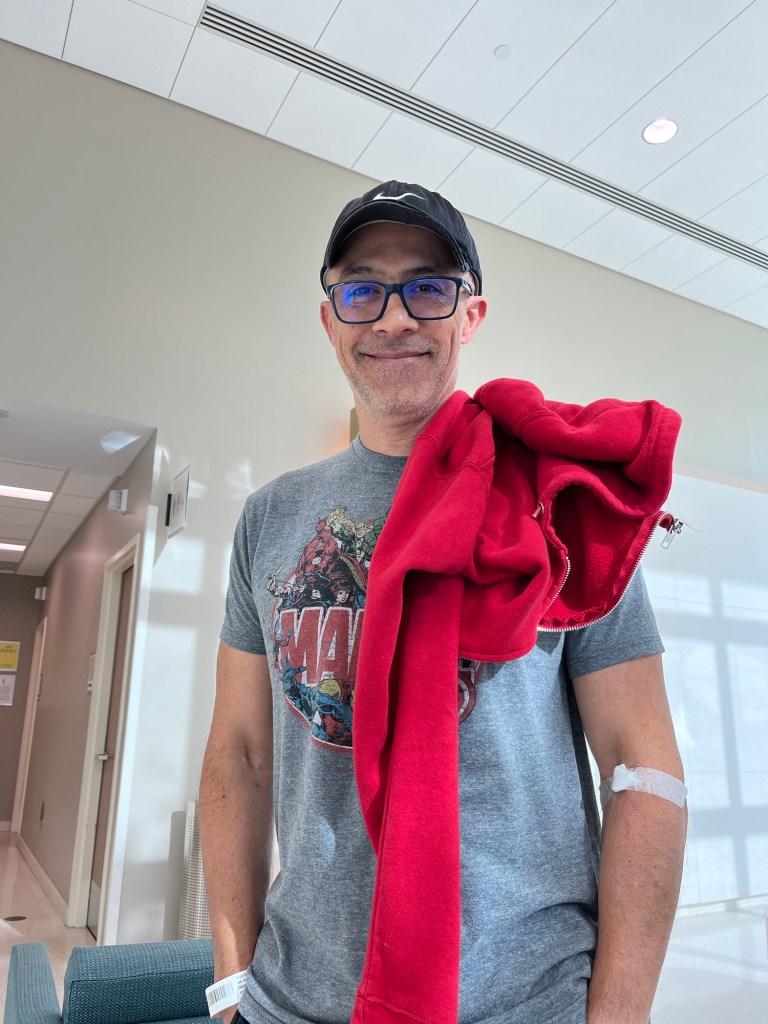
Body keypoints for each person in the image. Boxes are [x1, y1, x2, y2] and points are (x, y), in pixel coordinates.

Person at [199, 181, 687, 1024]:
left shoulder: (560, 502)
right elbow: (238, 755)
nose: (393, 318)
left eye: (428, 287)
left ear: (471, 314)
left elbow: (642, 765)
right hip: (292, 1001)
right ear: (329, 319)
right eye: (362, 290)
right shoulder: (269, 517)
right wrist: (231, 986)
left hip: (525, 1003)